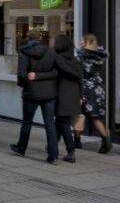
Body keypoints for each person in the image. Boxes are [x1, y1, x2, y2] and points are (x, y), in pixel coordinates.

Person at [10, 30, 59, 164]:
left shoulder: (24, 52)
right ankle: (53, 155)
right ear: (41, 37)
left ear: (27, 38)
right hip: (49, 93)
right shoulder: (51, 51)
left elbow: (21, 74)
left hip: (31, 92)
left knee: (27, 122)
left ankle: (21, 148)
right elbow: (56, 72)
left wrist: (29, 82)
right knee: (50, 124)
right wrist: (42, 76)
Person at [77, 33, 112, 154]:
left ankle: (77, 141)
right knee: (95, 116)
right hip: (98, 86)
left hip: (86, 87)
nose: (80, 41)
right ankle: (105, 139)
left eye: (82, 40)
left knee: (80, 114)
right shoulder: (99, 54)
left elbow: (80, 73)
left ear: (87, 41)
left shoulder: (82, 56)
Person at [53, 34, 82, 162]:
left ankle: (71, 150)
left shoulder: (57, 59)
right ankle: (52, 144)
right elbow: (80, 79)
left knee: (63, 122)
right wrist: (81, 95)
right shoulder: (75, 60)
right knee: (60, 121)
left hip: (61, 94)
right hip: (73, 94)